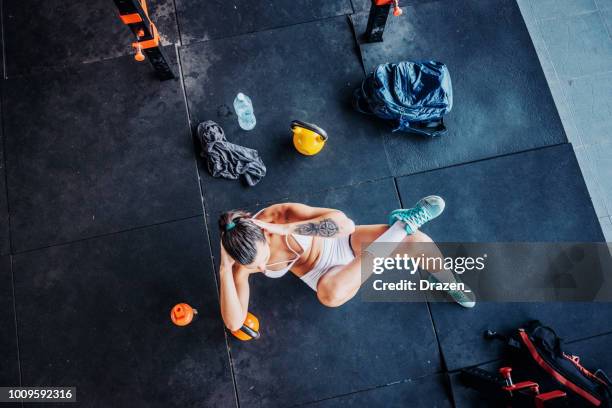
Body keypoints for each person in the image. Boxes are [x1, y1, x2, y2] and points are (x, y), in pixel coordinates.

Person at [218, 196, 475, 331]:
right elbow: (234, 322)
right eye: (259, 268)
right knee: (329, 295)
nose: (262, 270)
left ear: (264, 232)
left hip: (341, 242)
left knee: (418, 241)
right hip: (323, 276)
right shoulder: (242, 260)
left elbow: (345, 226)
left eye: (263, 261)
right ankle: (400, 227)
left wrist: (288, 229)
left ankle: (448, 281)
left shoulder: (279, 215)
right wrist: (224, 269)